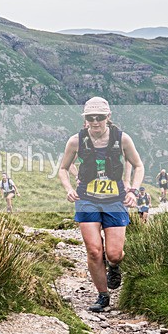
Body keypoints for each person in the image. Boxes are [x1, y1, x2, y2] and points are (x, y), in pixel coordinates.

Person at [58, 97, 144, 312]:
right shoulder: (75, 141)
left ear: (108, 117)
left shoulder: (122, 139)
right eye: (90, 118)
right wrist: (69, 189)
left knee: (113, 253)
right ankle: (103, 295)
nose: (95, 122)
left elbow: (138, 165)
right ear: (85, 119)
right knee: (95, 251)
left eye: (100, 117)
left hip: (115, 199)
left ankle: (114, 267)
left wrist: (133, 191)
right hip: (87, 199)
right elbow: (63, 168)